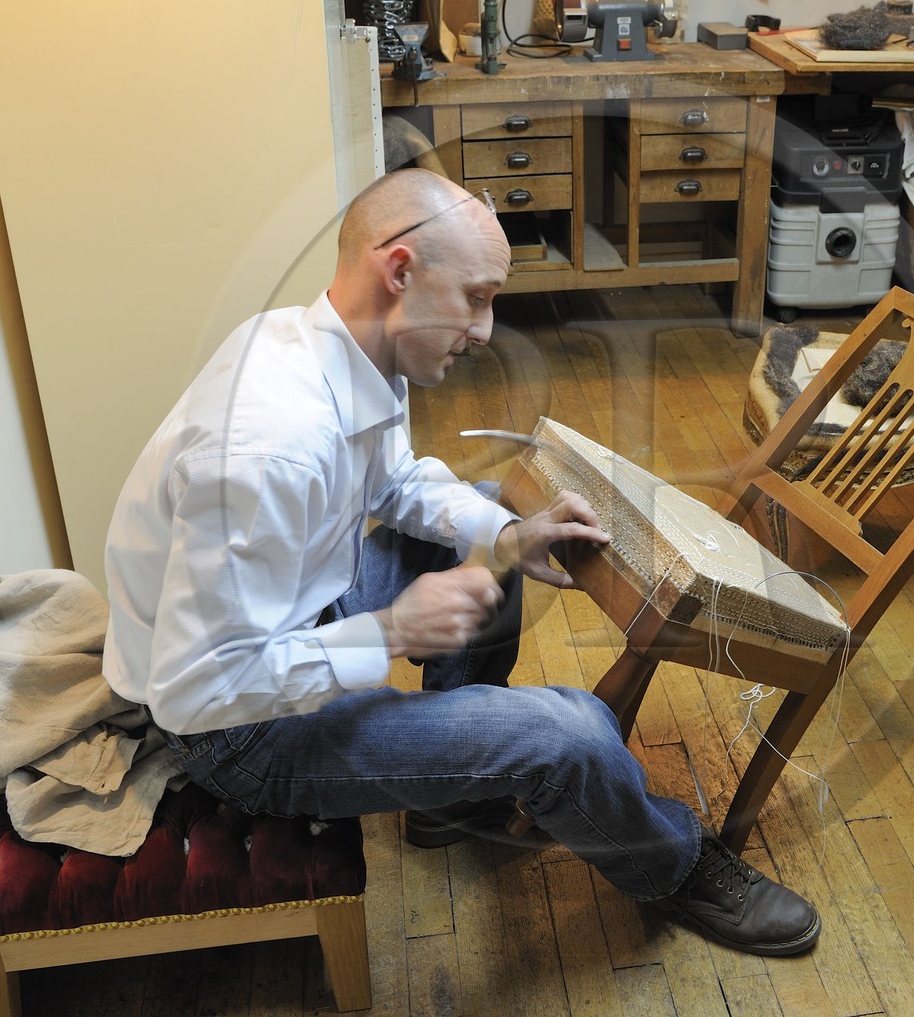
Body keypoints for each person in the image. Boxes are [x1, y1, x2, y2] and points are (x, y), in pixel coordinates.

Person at [101, 168, 821, 956]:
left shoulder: (336, 346)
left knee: (482, 512)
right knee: (571, 735)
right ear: (399, 272)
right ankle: (674, 868)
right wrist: (390, 631)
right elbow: (192, 694)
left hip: (294, 619)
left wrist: (506, 537)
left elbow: (395, 482)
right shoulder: (270, 450)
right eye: (476, 298)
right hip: (236, 733)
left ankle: (451, 800)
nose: (485, 329)